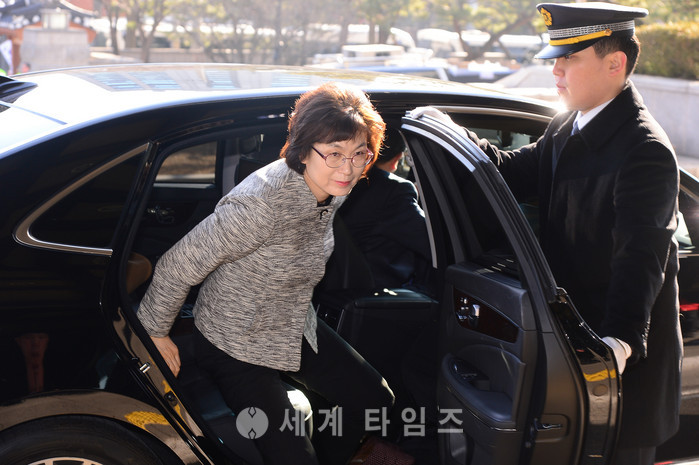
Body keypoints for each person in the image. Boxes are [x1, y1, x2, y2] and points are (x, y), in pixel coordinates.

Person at [415, 3, 681, 464]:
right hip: (569, 357)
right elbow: (504, 174)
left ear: (615, 63)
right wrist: (446, 130)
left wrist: (616, 345)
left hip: (615, 377)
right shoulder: (567, 124)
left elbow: (641, 257)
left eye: (569, 59)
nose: (555, 70)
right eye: (556, 59)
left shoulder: (645, 150)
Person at [137, 82, 399, 465]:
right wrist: (155, 333)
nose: (348, 168)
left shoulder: (331, 185)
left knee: (374, 400)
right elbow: (178, 263)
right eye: (334, 153)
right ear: (303, 150)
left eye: (360, 153)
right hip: (235, 343)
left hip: (290, 322)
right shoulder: (260, 207)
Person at [338, 127, 432, 291]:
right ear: (397, 159)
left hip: (332, 289)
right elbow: (432, 245)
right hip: (374, 294)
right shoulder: (395, 191)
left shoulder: (337, 179)